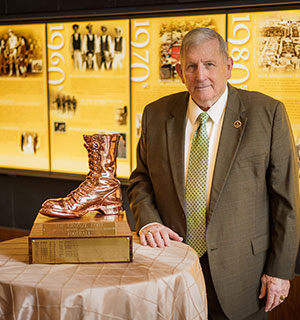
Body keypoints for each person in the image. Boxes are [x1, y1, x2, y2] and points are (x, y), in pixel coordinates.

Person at [127, 27, 300, 320]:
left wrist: (280, 270)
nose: (200, 75)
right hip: (171, 271)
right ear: (180, 73)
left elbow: (287, 201)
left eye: (209, 64)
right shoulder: (155, 115)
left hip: (245, 277)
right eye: (191, 67)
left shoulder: (267, 114)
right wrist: (148, 222)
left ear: (229, 67)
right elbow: (141, 179)